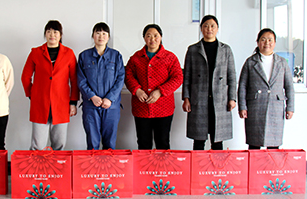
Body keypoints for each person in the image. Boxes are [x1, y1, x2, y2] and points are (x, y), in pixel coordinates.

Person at [21, 20, 79, 150]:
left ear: (60, 34)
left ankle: (57, 164)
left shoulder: (69, 53)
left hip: (62, 104)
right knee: (38, 146)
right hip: (40, 103)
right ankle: (36, 164)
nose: (52, 35)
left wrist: (73, 102)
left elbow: (74, 80)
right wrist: (32, 95)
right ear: (45, 34)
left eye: (55, 32)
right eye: (49, 32)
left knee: (59, 144)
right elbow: (25, 77)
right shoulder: (36, 52)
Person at [182, 15, 236, 150]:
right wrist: (186, 98)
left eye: (212, 26)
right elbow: (187, 76)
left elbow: (232, 76)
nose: (209, 29)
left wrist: (232, 98)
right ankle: (198, 165)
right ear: (201, 29)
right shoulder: (193, 50)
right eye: (205, 26)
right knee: (198, 140)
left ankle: (216, 165)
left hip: (220, 99)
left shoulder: (226, 49)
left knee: (217, 141)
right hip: (199, 99)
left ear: (217, 29)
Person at [125, 24, 183, 150]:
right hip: (142, 107)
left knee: (162, 143)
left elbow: (178, 78)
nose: (152, 39)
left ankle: (163, 164)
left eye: (156, 35)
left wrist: (160, 91)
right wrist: (137, 90)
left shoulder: (170, 57)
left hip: (164, 108)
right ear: (144, 38)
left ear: (161, 37)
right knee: (143, 143)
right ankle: (145, 164)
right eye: (149, 36)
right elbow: (128, 75)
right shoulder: (136, 58)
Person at [238, 28, 295, 149]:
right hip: (255, 107)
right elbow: (242, 86)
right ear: (258, 42)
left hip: (276, 107)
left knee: (274, 145)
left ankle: (271, 163)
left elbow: (289, 86)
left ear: (275, 43)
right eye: (263, 40)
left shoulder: (282, 62)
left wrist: (290, 107)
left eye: (270, 40)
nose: (266, 43)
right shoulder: (250, 62)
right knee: (254, 145)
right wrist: (242, 107)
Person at [77, 22, 125, 149]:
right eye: (98, 33)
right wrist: (92, 96)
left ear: (108, 37)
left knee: (110, 144)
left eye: (104, 34)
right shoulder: (84, 56)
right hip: (91, 106)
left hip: (111, 106)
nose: (101, 36)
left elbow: (120, 79)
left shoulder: (116, 56)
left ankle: (108, 164)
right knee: (92, 143)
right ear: (93, 36)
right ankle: (93, 163)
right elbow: (81, 80)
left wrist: (110, 98)